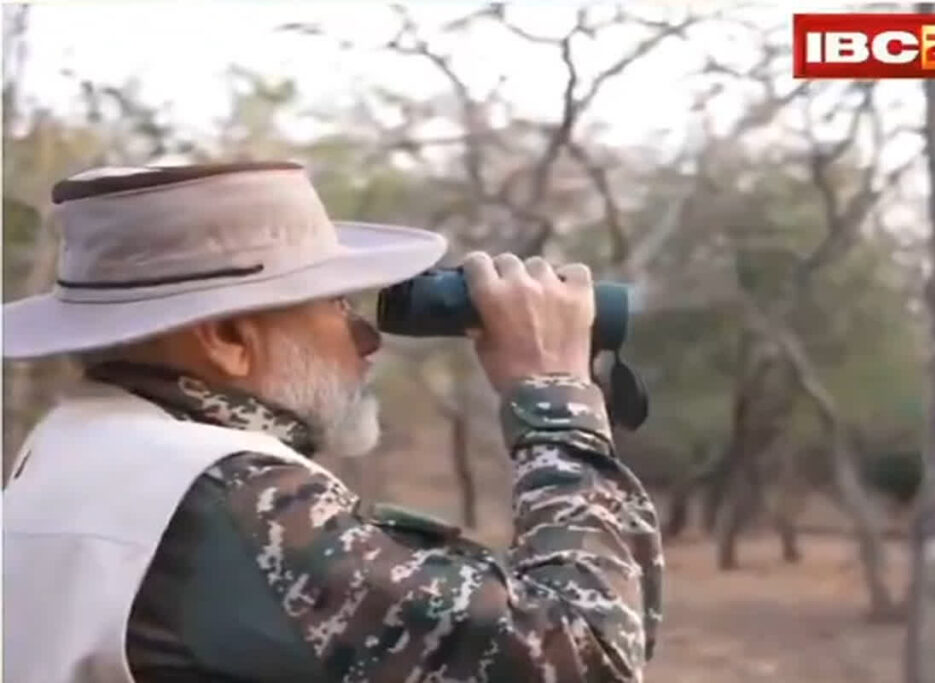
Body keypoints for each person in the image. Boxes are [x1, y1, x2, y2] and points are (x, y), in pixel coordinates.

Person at [3, 161, 663, 683]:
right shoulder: (233, 499)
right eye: (336, 304)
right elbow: (590, 651)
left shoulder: (69, 455)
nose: (366, 338)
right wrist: (553, 393)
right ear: (229, 336)